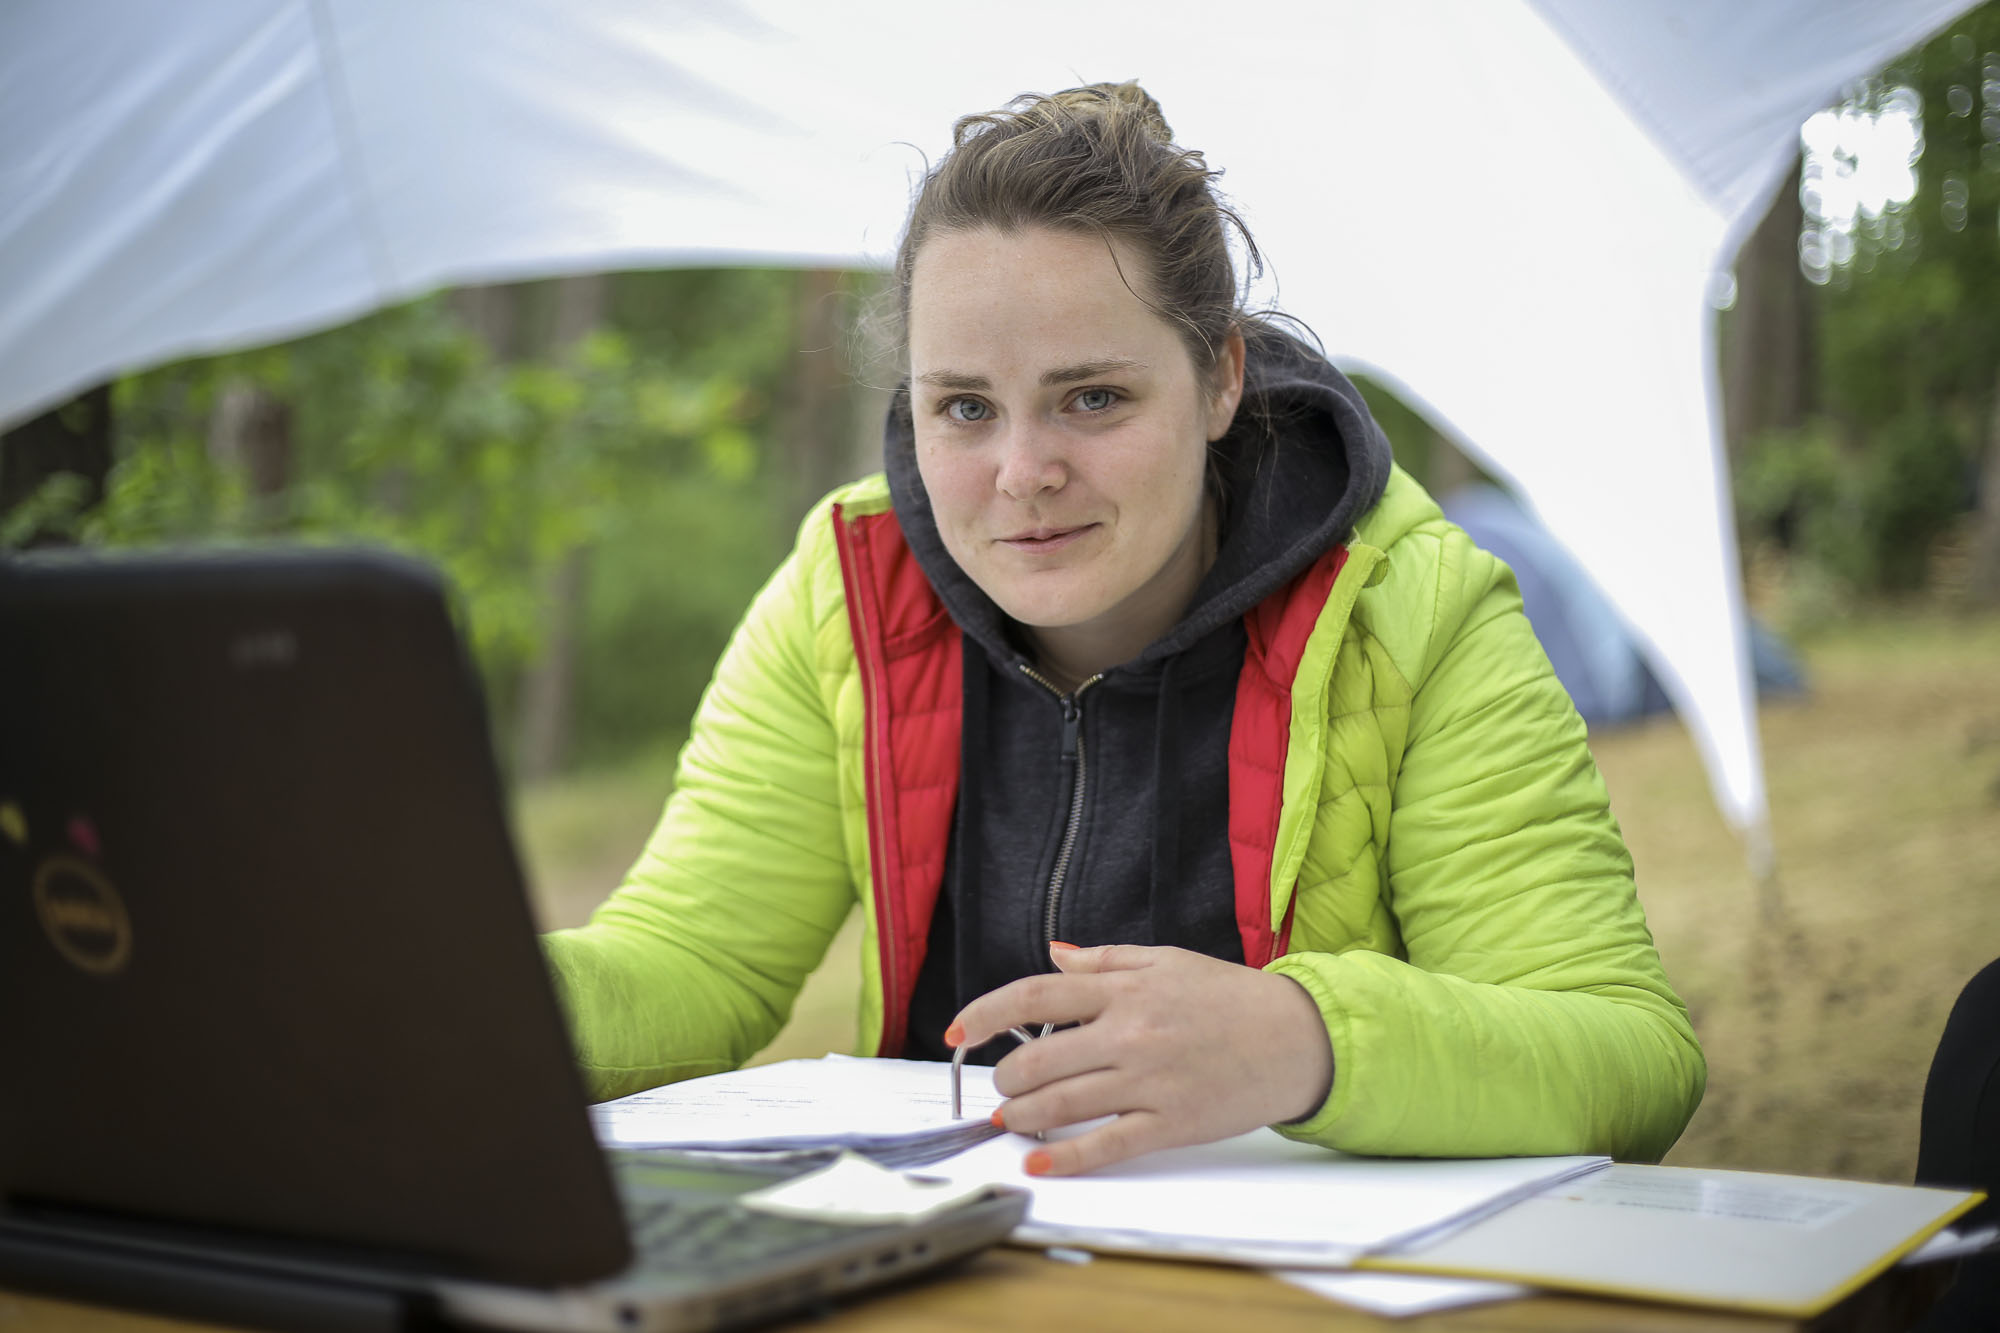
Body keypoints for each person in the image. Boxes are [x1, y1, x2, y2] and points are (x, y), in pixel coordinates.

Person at [543, 81, 1706, 1177]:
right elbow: (690, 965)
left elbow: (1626, 1052)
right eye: (964, 407)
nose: (1022, 472)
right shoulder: (849, 591)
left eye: (1091, 397)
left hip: (1289, 1277)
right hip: (944, 1256)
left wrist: (1304, 1038)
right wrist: (454, 992)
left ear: (1219, 380)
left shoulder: (1411, 605)